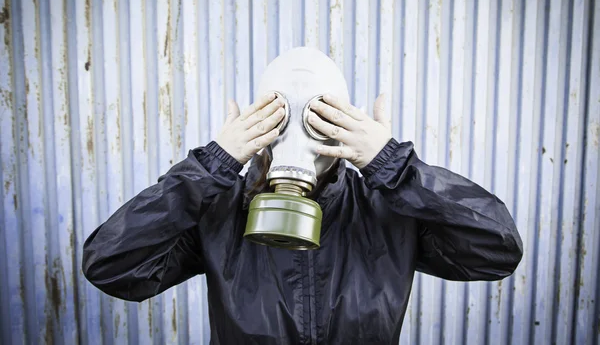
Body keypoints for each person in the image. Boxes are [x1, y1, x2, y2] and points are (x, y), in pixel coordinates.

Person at [82, 47, 523, 344]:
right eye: (279, 118)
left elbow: (496, 250)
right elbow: (112, 265)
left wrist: (394, 167)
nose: (297, 138)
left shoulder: (388, 209)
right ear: (257, 123)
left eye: (316, 118)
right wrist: (211, 167)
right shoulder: (220, 210)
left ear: (346, 122)